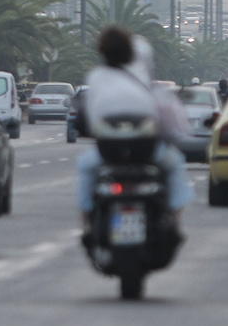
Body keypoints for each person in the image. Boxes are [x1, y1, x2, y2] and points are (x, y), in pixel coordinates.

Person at [77, 27, 194, 233]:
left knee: (86, 167)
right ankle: (176, 219)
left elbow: (91, 118)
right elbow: (164, 120)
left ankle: (86, 221)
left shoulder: (96, 77)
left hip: (109, 151)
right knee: (174, 164)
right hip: (145, 150)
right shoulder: (143, 79)